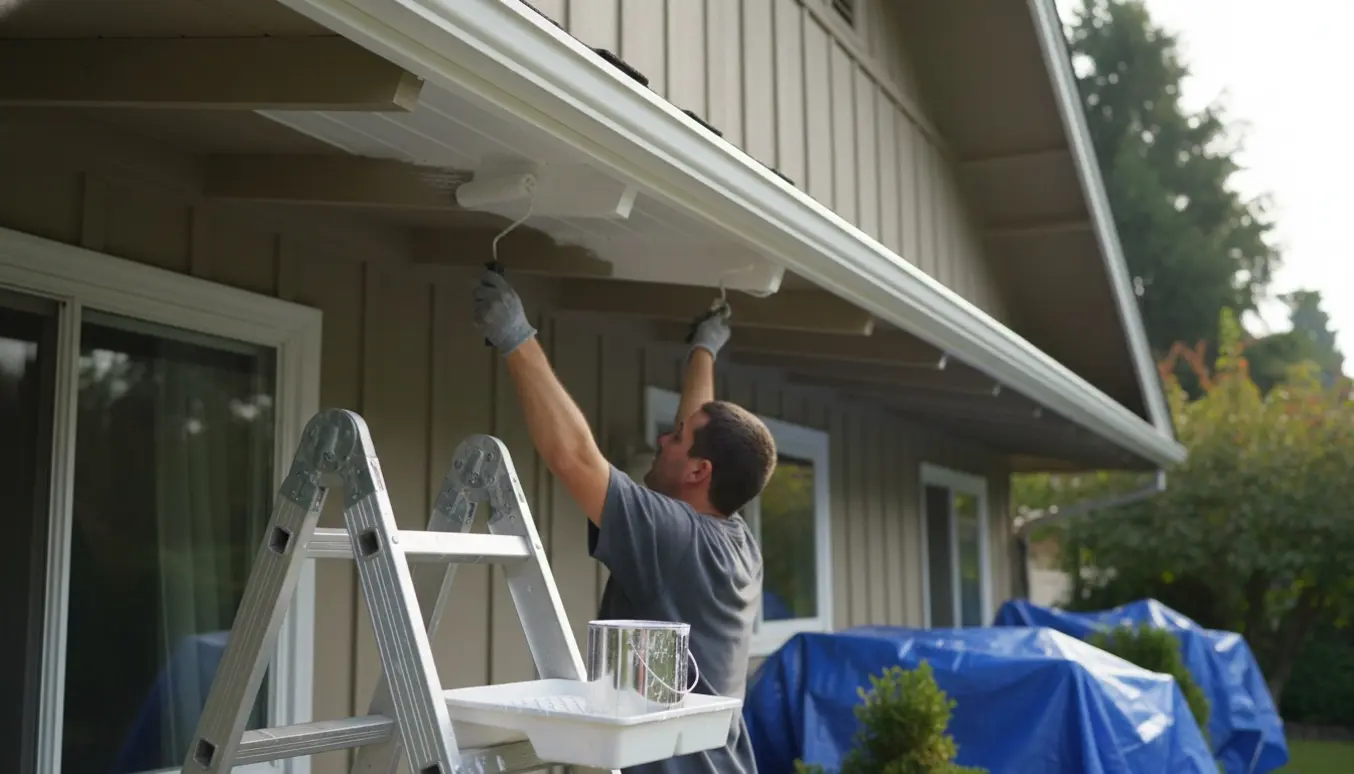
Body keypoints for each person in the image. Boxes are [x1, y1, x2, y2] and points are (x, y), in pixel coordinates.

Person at [472, 269, 773, 774]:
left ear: (700, 472)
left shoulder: (677, 538)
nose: (663, 440)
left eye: (675, 438)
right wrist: (704, 350)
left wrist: (515, 337)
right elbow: (702, 426)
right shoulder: (735, 539)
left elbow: (574, 457)